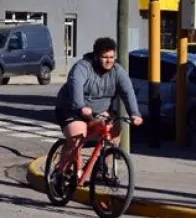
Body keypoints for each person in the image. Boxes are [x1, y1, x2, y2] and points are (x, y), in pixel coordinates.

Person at [53, 37, 143, 181]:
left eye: (112, 57)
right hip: (72, 109)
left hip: (98, 112)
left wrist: (135, 113)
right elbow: (76, 87)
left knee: (113, 133)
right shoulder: (82, 68)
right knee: (78, 137)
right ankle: (60, 173)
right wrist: (81, 106)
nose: (109, 61)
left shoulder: (118, 72)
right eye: (105, 57)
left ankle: (102, 168)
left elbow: (128, 92)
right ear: (96, 56)